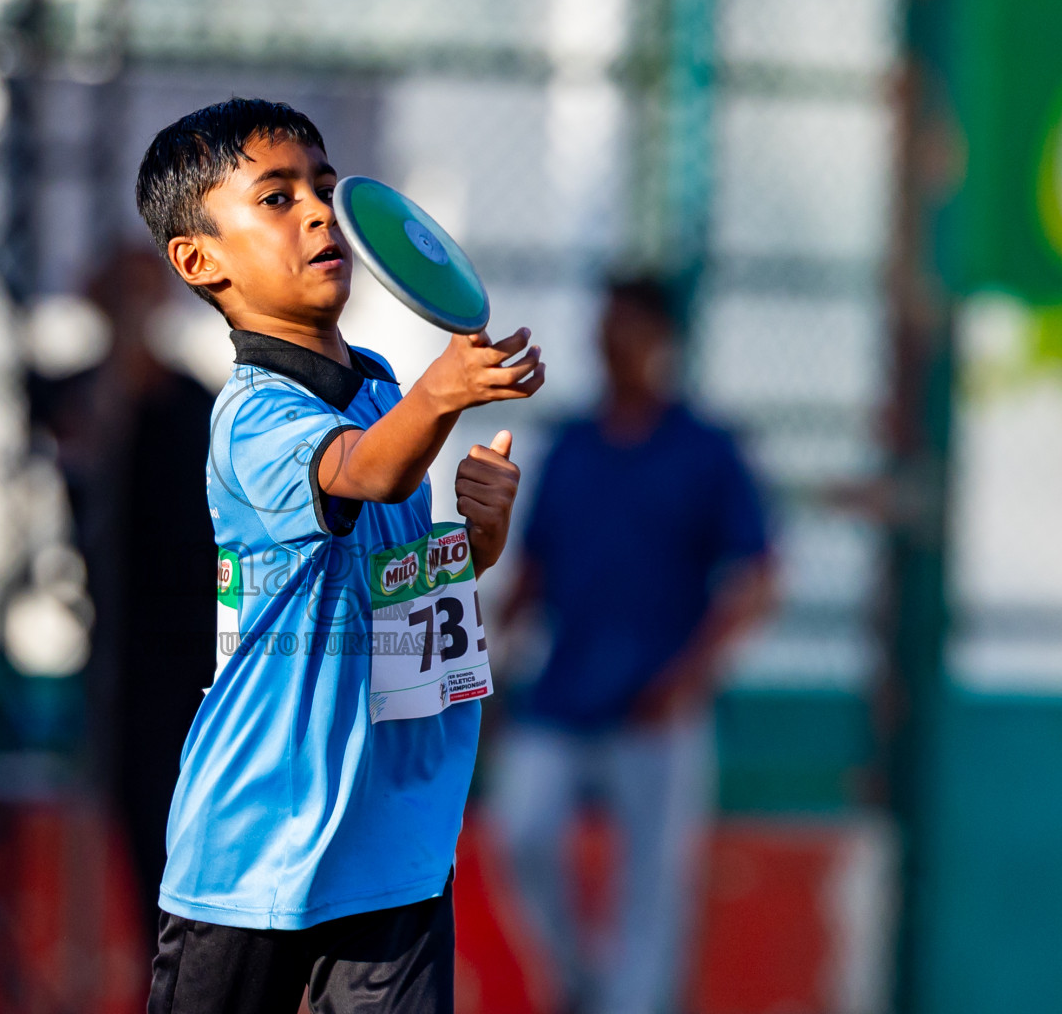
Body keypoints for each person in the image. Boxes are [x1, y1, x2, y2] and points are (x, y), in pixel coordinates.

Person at [134, 98, 544, 1014]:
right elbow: (367, 473)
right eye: (275, 199)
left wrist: (470, 550)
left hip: (391, 847)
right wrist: (440, 399)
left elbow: (391, 602)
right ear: (199, 261)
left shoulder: (385, 391)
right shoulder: (250, 417)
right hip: (256, 844)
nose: (320, 212)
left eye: (321, 188)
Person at [489, 277, 777, 1014]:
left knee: (650, 893)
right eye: (605, 328)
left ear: (661, 341)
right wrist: (479, 658)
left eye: (628, 329)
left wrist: (689, 678)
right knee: (519, 833)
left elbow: (758, 576)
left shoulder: (705, 450)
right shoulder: (574, 446)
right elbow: (535, 570)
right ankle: (578, 986)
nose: (612, 344)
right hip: (564, 694)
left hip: (657, 709)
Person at [26, 245, 218, 947]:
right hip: (121, 648)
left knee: (190, 826)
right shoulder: (77, 396)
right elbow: (65, 429)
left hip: (192, 649)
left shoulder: (194, 404)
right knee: (139, 824)